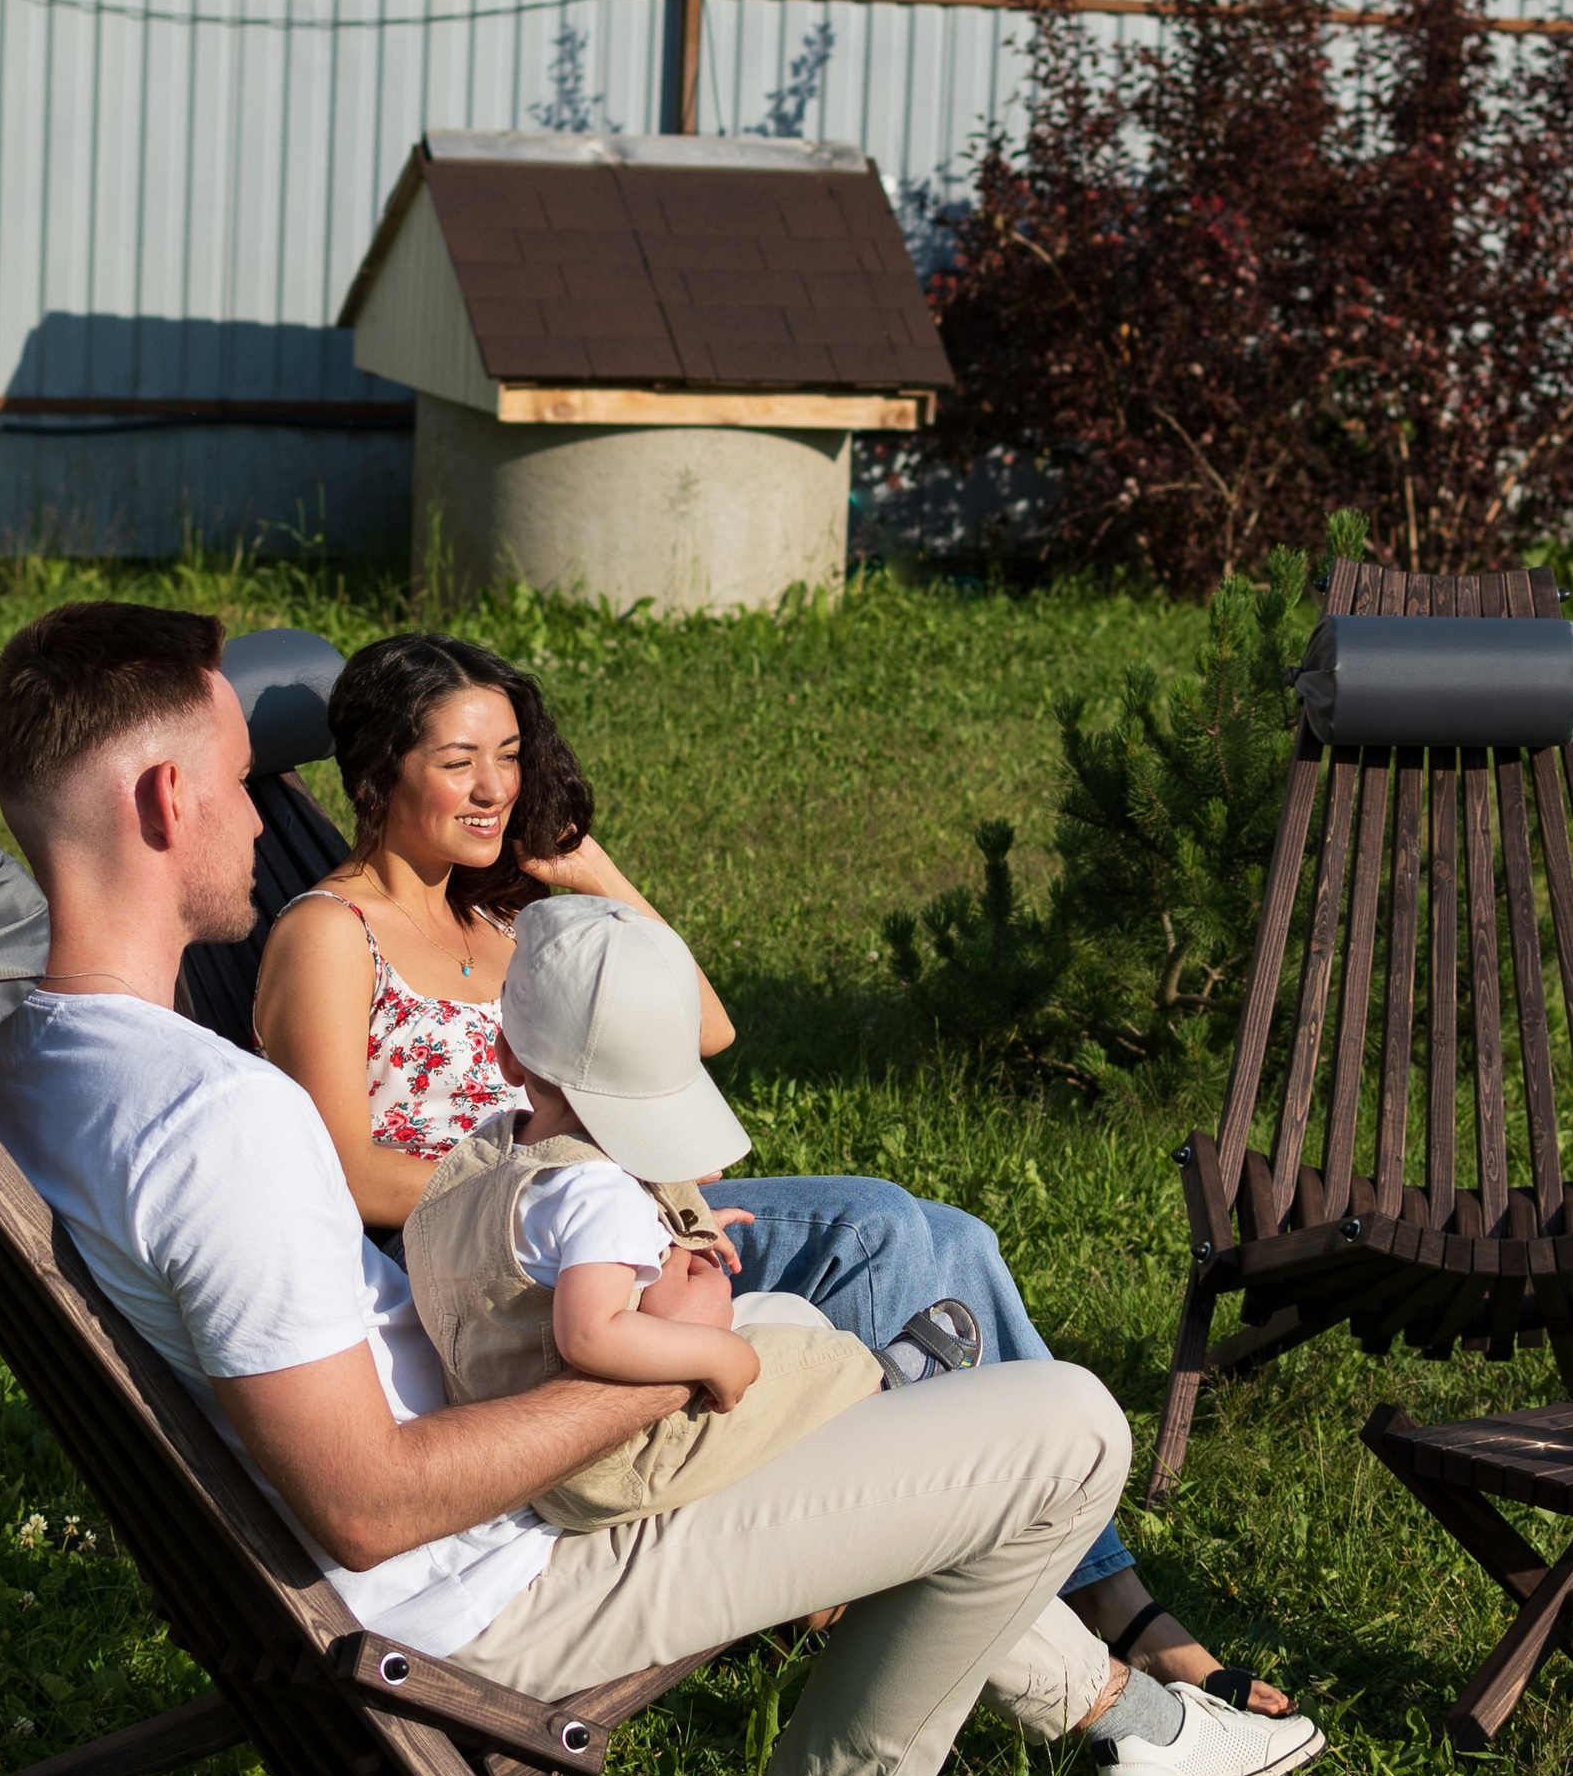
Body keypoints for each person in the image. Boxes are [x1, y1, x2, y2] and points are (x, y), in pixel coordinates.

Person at [0, 607, 1325, 1776]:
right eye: (247, 779)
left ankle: (1130, 1727)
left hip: (484, 1510)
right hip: (497, 1595)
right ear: (163, 797)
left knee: (806, 1334)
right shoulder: (220, 1122)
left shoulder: (21, 1074)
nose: (268, 817)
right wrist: (670, 1368)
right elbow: (366, 1507)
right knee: (1065, 1423)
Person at [253, 630, 1292, 1713]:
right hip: (511, 1256)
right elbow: (340, 1170)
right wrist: (541, 1209)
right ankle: (1067, 1608)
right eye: (459, 761)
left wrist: (583, 864)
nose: (495, 790)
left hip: (617, 1207)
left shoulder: (502, 908)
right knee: (884, 1237)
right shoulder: (330, 936)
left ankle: (1059, 1580)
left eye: (510, 756)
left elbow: (698, 1027)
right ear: (376, 772)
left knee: (950, 1238)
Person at [401, 892, 935, 1526]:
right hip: (607, 1466)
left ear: (509, 1055)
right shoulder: (600, 1194)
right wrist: (716, 1355)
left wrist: (671, 1234)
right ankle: (884, 1380)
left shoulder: (487, 1157)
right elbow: (591, 1333)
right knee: (796, 1362)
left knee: (774, 1325)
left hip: (499, 1434)